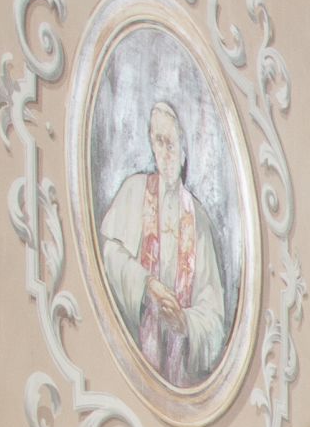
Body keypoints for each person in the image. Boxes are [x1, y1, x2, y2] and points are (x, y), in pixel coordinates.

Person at [97, 93, 231, 391]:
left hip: (179, 376)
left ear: (184, 150)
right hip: (128, 368)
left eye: (171, 143)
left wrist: (184, 322)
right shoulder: (133, 191)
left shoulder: (198, 222)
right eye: (158, 142)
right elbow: (108, 257)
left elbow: (213, 318)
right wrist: (147, 285)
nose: (164, 153)